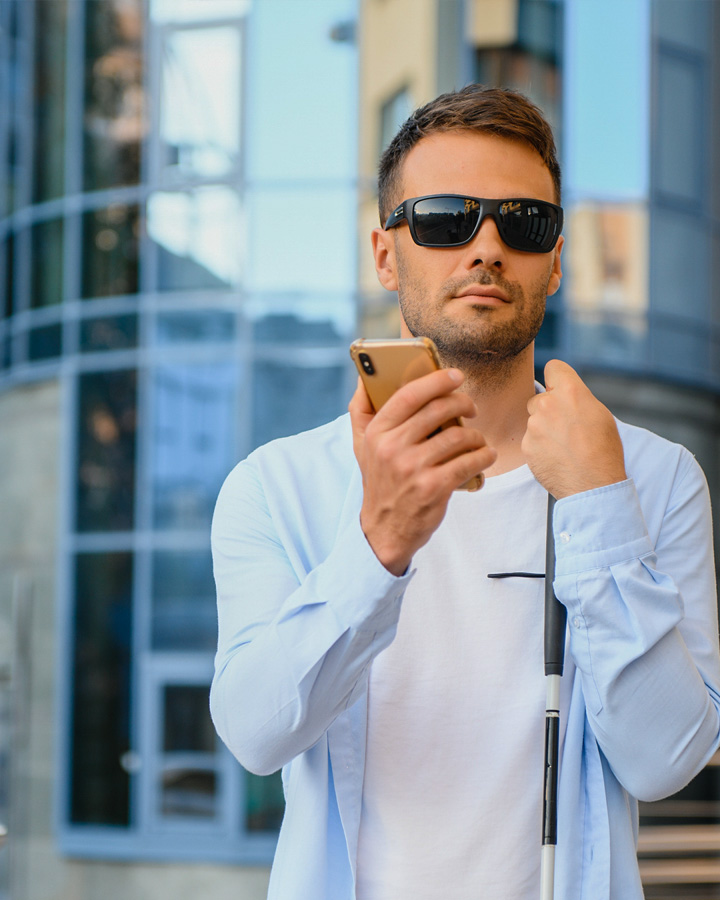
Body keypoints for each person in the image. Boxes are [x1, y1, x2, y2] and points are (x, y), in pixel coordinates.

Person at [210, 85, 720, 900]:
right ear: (386, 254)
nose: (486, 247)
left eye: (523, 223)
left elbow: (665, 762)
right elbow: (255, 732)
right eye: (447, 218)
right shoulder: (276, 489)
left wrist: (596, 508)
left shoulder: (652, 481)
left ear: (555, 261)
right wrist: (378, 549)